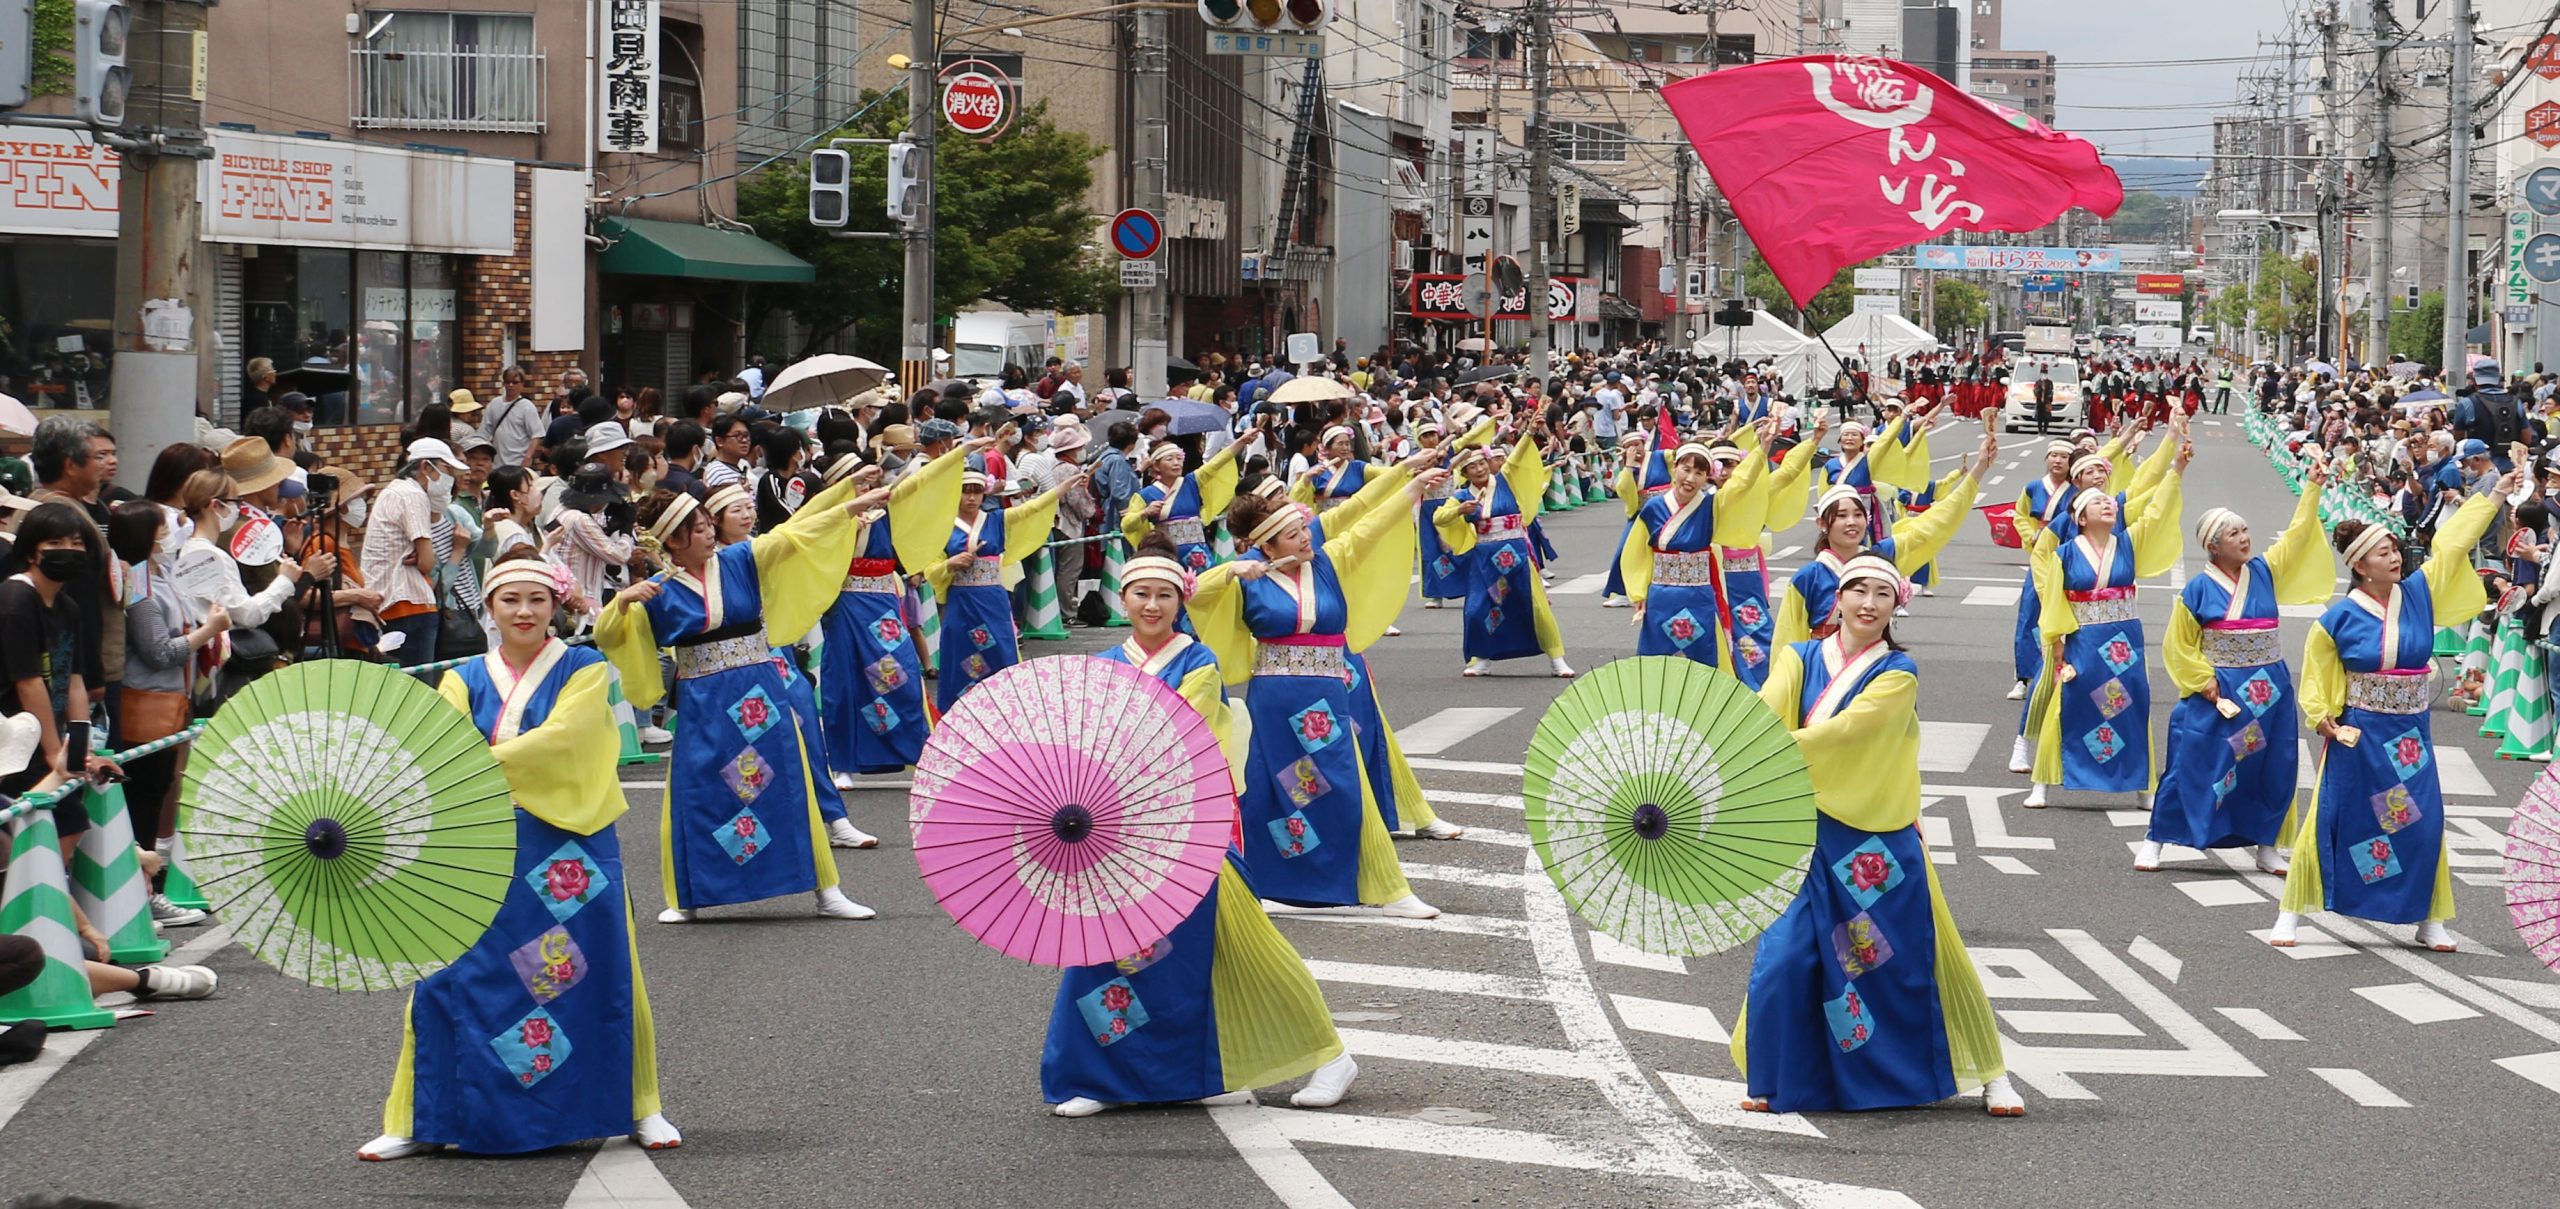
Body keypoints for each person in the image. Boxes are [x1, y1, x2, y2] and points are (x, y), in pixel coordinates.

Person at [360, 557, 677, 1160]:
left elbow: (570, 740)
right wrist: (467, 764)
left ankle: (640, 1107)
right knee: (451, 977)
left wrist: (476, 761)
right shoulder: (461, 678)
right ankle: (419, 1116)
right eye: (510, 601)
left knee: (597, 970)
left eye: (537, 599)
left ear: (555, 605)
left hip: (567, 842)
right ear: (491, 609)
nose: (525, 612)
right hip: (480, 841)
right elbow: (440, 750)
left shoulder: (584, 668)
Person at [1043, 532, 1359, 1117]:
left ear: (1180, 601)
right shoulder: (1102, 665)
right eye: (1140, 593)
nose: (1152, 606)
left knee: (1245, 947)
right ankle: (1104, 1074)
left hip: (1191, 827)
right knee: (1107, 954)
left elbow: (1179, 731)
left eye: (1164, 595)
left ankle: (1330, 1054)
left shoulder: (1199, 661)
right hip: (1116, 838)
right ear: (1122, 598)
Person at [1733, 553, 2023, 1117]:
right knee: (1785, 960)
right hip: (1801, 829)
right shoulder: (1797, 658)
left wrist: (1766, 747)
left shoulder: (1898, 672)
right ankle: (1786, 1077)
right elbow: (1765, 709)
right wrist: (1737, 738)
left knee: (1898, 964)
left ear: (1897, 607)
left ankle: (1991, 1073)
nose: (1868, 604)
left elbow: (1849, 730)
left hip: (1874, 838)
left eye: (1881, 595)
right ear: (1836, 599)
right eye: (1857, 591)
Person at [598, 477, 893, 924]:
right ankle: (690, 896)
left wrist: (850, 506)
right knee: (700, 792)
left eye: (706, 524)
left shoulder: (741, 558)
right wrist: (622, 604)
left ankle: (826, 890)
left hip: (758, 690)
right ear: (674, 541)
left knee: (786, 783)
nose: (709, 532)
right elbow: (609, 637)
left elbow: (798, 533)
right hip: (703, 700)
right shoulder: (656, 591)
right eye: (697, 529)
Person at [2271, 464, 2516, 952]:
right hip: (2359, 733)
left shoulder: (2419, 595)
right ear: (2361, 566)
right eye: (2384, 553)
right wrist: (2324, 718)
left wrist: (2491, 497)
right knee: (2336, 817)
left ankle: (2428, 916)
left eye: (2395, 550)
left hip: (2410, 736)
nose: (2396, 558)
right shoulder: (2338, 618)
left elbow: (2450, 546)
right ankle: (2292, 912)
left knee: (2421, 820)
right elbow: (2317, 673)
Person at [1191, 475, 1445, 919]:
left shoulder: (1325, 561)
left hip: (1327, 696)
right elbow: (1192, 592)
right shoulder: (1249, 576)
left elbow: (1368, 526)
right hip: (1276, 700)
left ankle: (1384, 885)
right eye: (1293, 535)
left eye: (1303, 530)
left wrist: (1411, 488)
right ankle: (1265, 884)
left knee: (1342, 786)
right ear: (1266, 547)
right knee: (1280, 793)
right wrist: (1232, 569)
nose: (1306, 538)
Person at [2144, 468, 2329, 871]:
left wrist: (2313, 485)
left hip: (2270, 688)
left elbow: (2297, 536)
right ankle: (2157, 837)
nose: (2245, 538)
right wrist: (2203, 682)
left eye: (2245, 530)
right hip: (2221, 688)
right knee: (2194, 761)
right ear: (2213, 546)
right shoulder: (2198, 589)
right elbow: (2178, 645)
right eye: (2234, 534)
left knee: (2271, 766)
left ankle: (2266, 844)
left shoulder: (2264, 571)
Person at [2023, 436, 2192, 810]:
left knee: (2131, 705)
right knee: (2068, 704)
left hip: (2124, 638)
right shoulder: (2065, 553)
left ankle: (2142, 785)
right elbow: (2054, 598)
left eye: (2108, 501)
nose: (2106, 504)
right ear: (2080, 518)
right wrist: (2057, 642)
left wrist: (2177, 468)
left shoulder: (2128, 543)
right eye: (2097, 502)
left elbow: (2158, 511)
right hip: (2082, 637)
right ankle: (2043, 781)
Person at [816, 444, 965, 787]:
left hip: (883, 598)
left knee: (900, 673)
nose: (868, 488)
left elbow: (916, 484)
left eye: (871, 481)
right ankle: (843, 763)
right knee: (846, 681)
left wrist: (960, 452)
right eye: (860, 482)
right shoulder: (831, 519)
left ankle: (918, 752)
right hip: (847, 601)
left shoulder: (885, 510)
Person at [1772, 426, 1990, 650]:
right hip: (1822, 667)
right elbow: (1786, 639)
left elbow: (1934, 523)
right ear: (1822, 524)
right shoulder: (1809, 577)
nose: (1851, 522)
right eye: (1841, 516)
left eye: (1858, 515)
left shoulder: (1881, 557)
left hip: (1872, 663)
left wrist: (1979, 468)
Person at [927, 467, 1084, 712]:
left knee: (1000, 651)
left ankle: (1005, 711)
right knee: (960, 655)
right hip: (961, 600)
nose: (971, 498)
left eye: (977, 492)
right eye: (965, 492)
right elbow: (931, 570)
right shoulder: (943, 526)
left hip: (993, 599)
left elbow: (1031, 508)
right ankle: (960, 712)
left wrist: (1063, 487)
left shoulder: (997, 519)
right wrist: (950, 563)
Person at [1619, 433, 1771, 669]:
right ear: (1675, 468)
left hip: (1699, 594)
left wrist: (1762, 449)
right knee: (1654, 661)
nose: (1690, 478)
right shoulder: (1653, 507)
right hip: (1662, 594)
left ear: (1706, 477)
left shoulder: (1712, 505)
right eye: (1686, 469)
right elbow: (1636, 552)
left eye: (1699, 473)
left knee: (1702, 662)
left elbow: (1741, 484)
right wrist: (1639, 593)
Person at [1435, 427, 1576, 679]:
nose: (1479, 469)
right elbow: (1439, 517)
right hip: (1484, 560)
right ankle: (1482, 658)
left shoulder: (1506, 479)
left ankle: (1557, 659)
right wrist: (1459, 511)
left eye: (1482, 463)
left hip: (1517, 555)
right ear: (1464, 472)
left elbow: (1518, 455)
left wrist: (1531, 430)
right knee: (1478, 609)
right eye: (1472, 467)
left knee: (1536, 608)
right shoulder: (1461, 496)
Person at [364, 440, 468, 668]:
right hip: (409, 603)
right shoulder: (413, 495)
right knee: (419, 685)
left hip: (387, 601)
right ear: (425, 467)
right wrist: (423, 558)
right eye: (446, 469)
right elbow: (427, 563)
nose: (449, 477)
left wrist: (420, 557)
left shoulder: (393, 490)